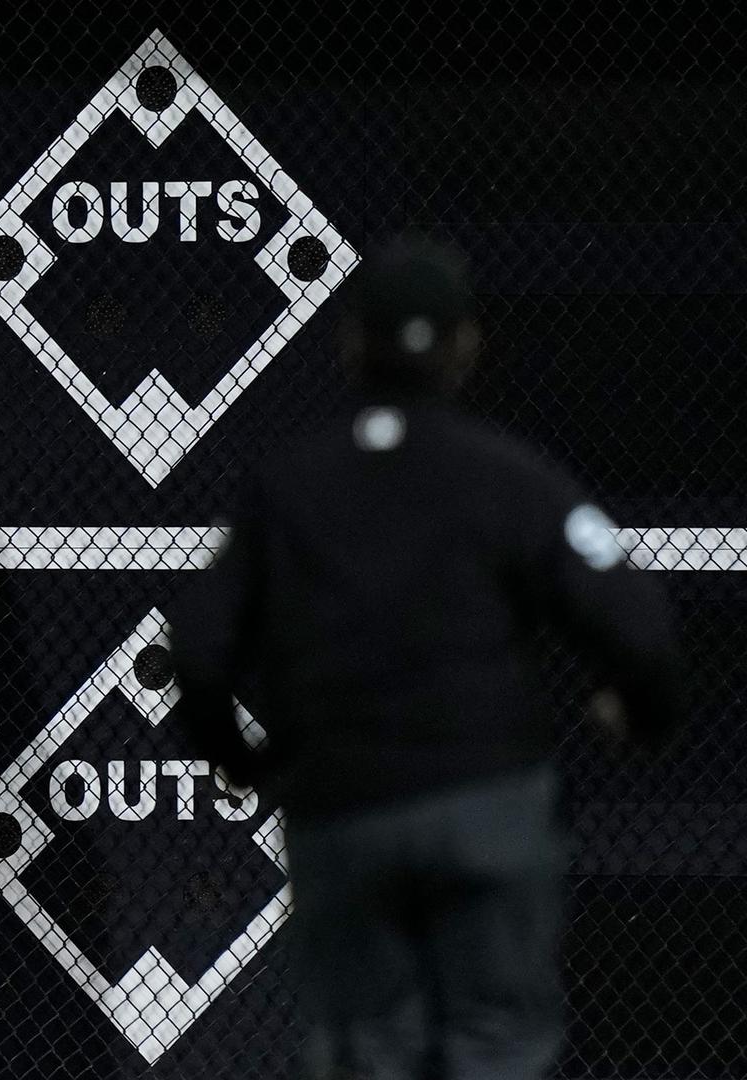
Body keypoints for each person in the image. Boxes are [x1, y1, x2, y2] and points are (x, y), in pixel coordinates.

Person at [168, 236, 686, 1079]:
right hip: (486, 800)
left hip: (345, 808)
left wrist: (251, 762)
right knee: (498, 1050)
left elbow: (197, 651)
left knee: (366, 1053)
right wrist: (644, 714)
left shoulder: (288, 487)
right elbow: (639, 627)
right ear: (465, 347)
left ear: (348, 345)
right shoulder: (509, 477)